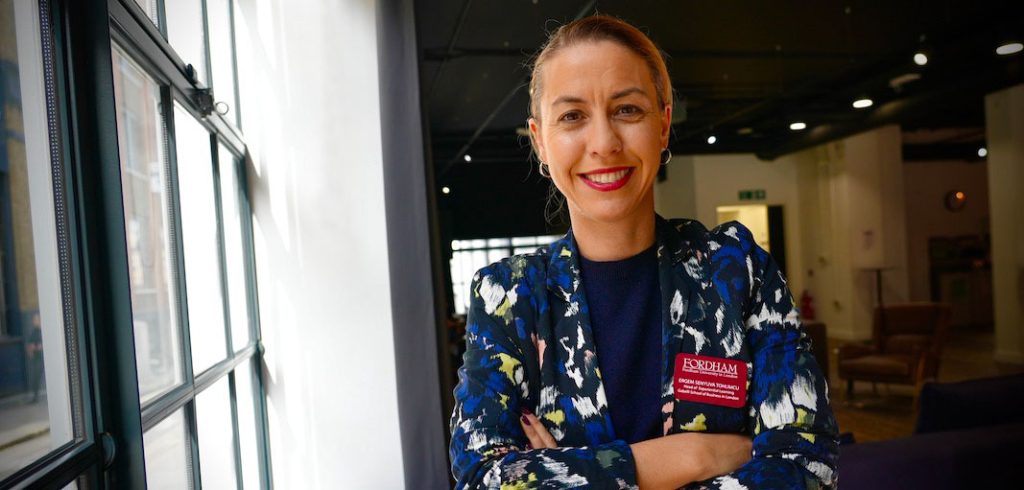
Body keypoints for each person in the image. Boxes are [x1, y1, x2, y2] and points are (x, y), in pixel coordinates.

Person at [449, 15, 838, 489]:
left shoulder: (735, 268)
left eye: (627, 110)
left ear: (664, 123)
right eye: (572, 116)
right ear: (540, 141)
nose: (604, 143)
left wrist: (571, 473)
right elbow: (481, 478)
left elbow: (807, 465)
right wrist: (696, 456)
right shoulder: (508, 295)